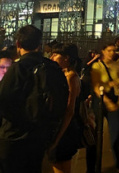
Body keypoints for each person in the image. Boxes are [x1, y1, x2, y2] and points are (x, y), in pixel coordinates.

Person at [0, 25, 69, 173]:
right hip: (40, 136)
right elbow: (62, 102)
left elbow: (3, 101)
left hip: (14, 137)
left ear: (18, 44)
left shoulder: (17, 69)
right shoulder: (52, 68)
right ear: (40, 44)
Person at [92, 42, 119, 171]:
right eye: (109, 50)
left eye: (114, 50)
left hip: (116, 101)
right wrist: (108, 100)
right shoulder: (97, 66)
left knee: (117, 133)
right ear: (103, 51)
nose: (112, 53)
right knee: (96, 135)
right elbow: (97, 87)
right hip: (101, 101)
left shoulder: (118, 66)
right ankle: (94, 166)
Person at [49, 42, 82, 173]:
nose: (51, 57)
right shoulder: (64, 75)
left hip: (65, 129)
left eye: (55, 54)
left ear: (66, 58)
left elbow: (69, 110)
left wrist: (56, 138)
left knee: (61, 166)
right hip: (62, 128)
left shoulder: (71, 77)